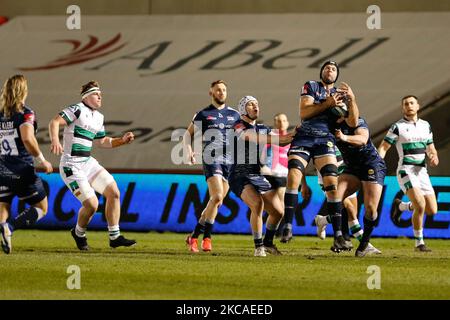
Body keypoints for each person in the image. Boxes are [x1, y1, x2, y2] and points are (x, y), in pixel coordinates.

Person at [48, 80, 136, 251]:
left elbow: (102, 142)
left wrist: (122, 141)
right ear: (87, 96)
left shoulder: (99, 117)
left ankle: (115, 236)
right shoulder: (77, 109)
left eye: (100, 94)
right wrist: (55, 140)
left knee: (114, 193)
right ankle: (78, 233)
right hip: (71, 165)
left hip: (87, 162)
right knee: (92, 205)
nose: (100, 96)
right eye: (97, 94)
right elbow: (54, 122)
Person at [285, 60, 358, 252]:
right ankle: (287, 226)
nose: (330, 70)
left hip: (325, 140)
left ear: (337, 75)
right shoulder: (311, 86)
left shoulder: (341, 96)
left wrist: (352, 100)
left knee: (333, 187)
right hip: (304, 137)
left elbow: (352, 122)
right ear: (322, 72)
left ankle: (339, 236)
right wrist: (328, 103)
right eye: (327, 68)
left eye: (334, 69)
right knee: (293, 176)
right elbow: (304, 112)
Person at [229, 96, 292, 256]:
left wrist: (298, 133)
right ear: (243, 109)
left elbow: (284, 141)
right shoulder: (237, 126)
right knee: (257, 205)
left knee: (278, 212)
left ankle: (268, 243)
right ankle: (259, 247)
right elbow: (251, 137)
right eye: (251, 104)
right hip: (239, 175)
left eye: (257, 103)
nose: (255, 106)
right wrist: (277, 138)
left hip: (256, 174)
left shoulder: (263, 128)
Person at [183, 80, 240, 253]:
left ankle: (193, 236)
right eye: (218, 90)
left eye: (224, 90)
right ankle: (207, 238)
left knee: (218, 202)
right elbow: (187, 135)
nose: (221, 92)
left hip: (230, 161)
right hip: (211, 158)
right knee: (216, 197)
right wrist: (189, 151)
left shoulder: (235, 114)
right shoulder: (203, 114)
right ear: (211, 93)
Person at [0, 75, 53, 254]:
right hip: (21, 169)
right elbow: (28, 139)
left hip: (2, 169)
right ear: (23, 90)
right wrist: (42, 160)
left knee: (4, 202)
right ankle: (10, 228)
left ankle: (3, 228)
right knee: (41, 207)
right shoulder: (25, 113)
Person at [378, 95, 438, 252]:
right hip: (406, 170)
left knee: (432, 210)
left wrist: (434, 155)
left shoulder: (426, 125)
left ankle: (403, 206)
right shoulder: (397, 127)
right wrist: (378, 162)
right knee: (421, 205)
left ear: (418, 106)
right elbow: (384, 147)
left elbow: (430, 147)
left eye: (412, 103)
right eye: (406, 104)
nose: (409, 106)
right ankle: (419, 243)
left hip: (422, 171)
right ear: (403, 108)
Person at [332, 116, 386, 256]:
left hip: (371, 164)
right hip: (351, 167)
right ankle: (339, 237)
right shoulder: (328, 124)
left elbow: (362, 140)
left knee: (370, 209)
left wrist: (344, 137)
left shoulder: (357, 121)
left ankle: (364, 243)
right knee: (335, 197)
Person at [261, 113, 311, 243]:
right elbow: (261, 154)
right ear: (274, 123)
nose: (281, 123)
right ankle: (277, 231)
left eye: (283, 120)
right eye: (278, 120)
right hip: (270, 174)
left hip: (285, 174)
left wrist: (303, 182)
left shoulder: (292, 139)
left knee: (282, 204)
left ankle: (281, 231)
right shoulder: (270, 137)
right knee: (276, 206)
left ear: (288, 123)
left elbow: (299, 160)